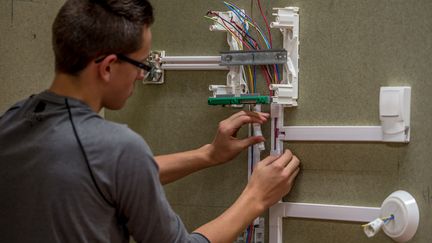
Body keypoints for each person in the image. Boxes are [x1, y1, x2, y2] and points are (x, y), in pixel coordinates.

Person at [0, 0, 300, 242]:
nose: (143, 75)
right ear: (107, 67)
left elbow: (106, 174)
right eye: (141, 64)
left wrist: (207, 155)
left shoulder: (12, 122)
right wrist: (255, 198)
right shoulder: (117, 147)